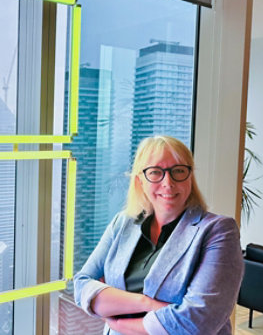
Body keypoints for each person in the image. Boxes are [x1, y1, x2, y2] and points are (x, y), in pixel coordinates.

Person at [74, 135, 244, 335]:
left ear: (190, 177)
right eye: (155, 172)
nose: (168, 182)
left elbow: (198, 323)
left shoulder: (218, 231)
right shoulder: (123, 223)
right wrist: (147, 303)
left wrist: (119, 323)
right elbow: (82, 285)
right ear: (140, 181)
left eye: (178, 171)